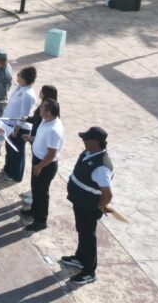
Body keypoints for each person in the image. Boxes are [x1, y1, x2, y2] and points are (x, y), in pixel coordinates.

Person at [63, 126, 114, 285]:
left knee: (88, 236)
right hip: (80, 202)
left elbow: (108, 194)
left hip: (89, 207)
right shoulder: (89, 153)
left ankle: (89, 272)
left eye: (86, 139)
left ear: (96, 142)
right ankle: (80, 258)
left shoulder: (101, 167)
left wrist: (99, 206)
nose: (83, 140)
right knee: (82, 231)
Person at [21, 98, 64, 232]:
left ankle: (41, 221)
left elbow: (51, 154)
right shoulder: (45, 121)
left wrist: (39, 166)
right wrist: (31, 138)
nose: (39, 108)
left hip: (45, 165)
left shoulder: (54, 130)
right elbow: (41, 138)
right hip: (39, 161)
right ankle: (34, 211)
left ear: (49, 112)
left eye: (42, 107)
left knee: (41, 193)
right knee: (35, 189)